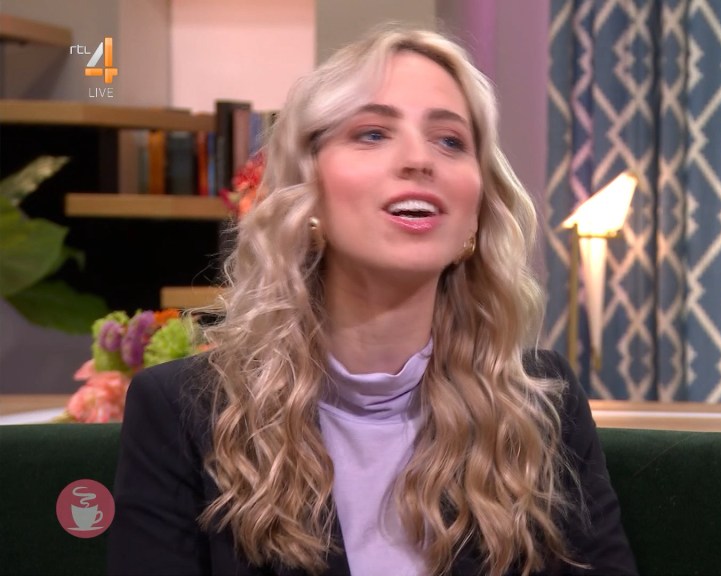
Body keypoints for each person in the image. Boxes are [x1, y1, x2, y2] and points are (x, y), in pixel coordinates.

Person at [108, 25, 637, 576]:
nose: (419, 159)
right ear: (307, 192)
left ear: (476, 214)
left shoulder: (540, 404)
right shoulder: (182, 410)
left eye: (450, 141)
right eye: (373, 133)